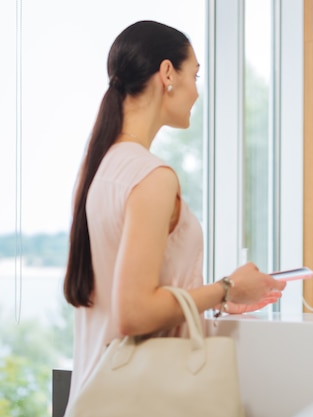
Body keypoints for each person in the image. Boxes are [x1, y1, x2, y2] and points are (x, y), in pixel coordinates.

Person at [63, 20, 287, 403]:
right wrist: (227, 288)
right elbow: (133, 312)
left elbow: (128, 293)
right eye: (195, 75)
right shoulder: (152, 176)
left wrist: (206, 296)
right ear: (168, 73)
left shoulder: (98, 169)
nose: (197, 92)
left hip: (95, 392)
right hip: (141, 399)